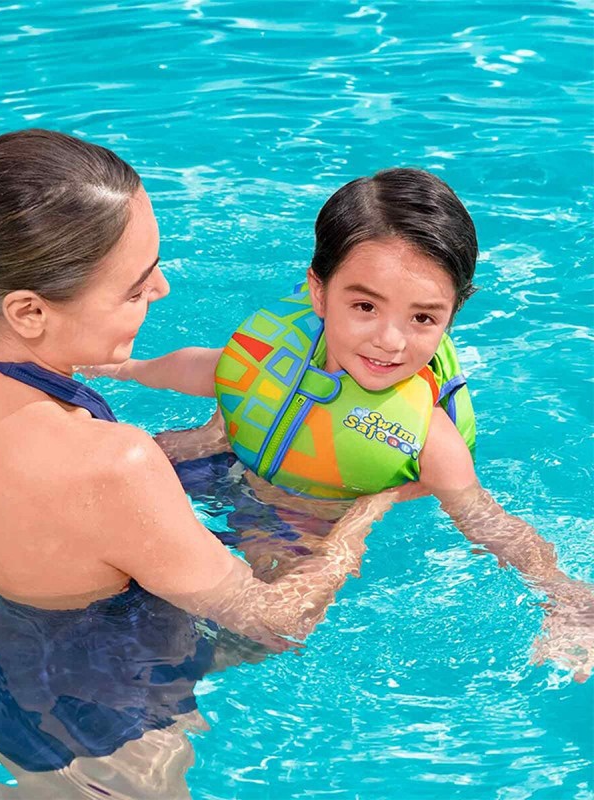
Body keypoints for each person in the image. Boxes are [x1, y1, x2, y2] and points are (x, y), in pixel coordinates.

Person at [0, 129, 394, 795]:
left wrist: (206, 441)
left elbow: (52, 509)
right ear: (29, 311)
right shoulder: (116, 465)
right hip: (114, 729)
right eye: (133, 287)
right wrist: (364, 514)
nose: (161, 287)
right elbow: (278, 625)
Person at [83, 168, 594, 681]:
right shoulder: (283, 351)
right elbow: (207, 369)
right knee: (103, 487)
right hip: (225, 462)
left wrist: (567, 597)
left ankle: (150, 677)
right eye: (366, 306)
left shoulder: (428, 435)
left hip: (305, 525)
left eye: (423, 318)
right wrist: (125, 369)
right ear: (320, 293)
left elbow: (487, 519)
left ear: (451, 316)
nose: (391, 340)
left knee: (273, 627)